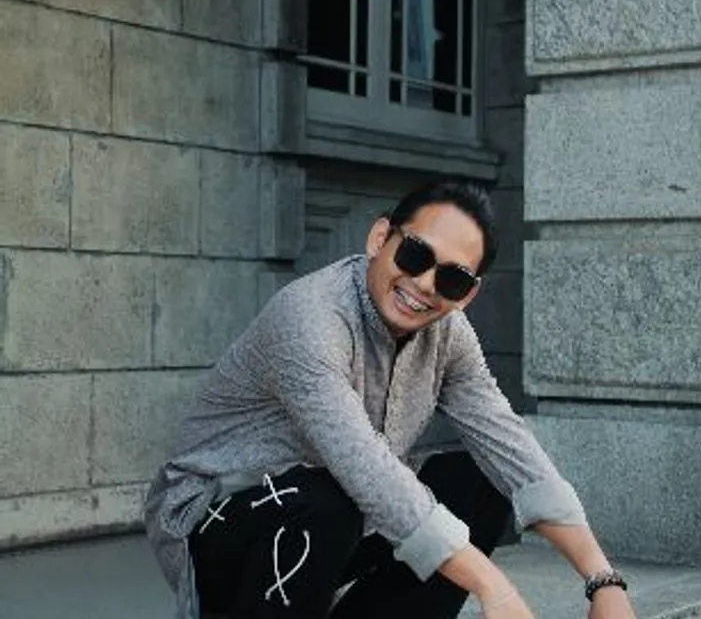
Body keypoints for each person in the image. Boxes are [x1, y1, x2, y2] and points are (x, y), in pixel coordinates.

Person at [145, 179, 636, 619]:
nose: (424, 285)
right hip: (214, 522)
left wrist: (602, 579)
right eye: (416, 255)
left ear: (467, 294)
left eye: (451, 279)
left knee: (479, 482)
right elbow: (366, 470)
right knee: (330, 499)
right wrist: (493, 587)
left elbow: (509, 446)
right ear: (380, 238)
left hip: (336, 520)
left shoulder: (449, 333)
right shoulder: (310, 318)